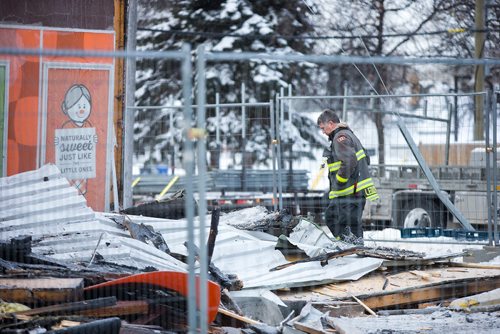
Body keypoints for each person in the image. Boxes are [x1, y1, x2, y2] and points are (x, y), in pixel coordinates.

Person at [317, 109, 379, 243]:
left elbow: (349, 161)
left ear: (331, 123)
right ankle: (352, 246)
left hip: (348, 191)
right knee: (349, 222)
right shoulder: (349, 135)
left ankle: (350, 246)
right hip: (353, 191)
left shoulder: (340, 138)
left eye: (323, 128)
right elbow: (366, 158)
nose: (323, 132)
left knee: (336, 220)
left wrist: (340, 181)